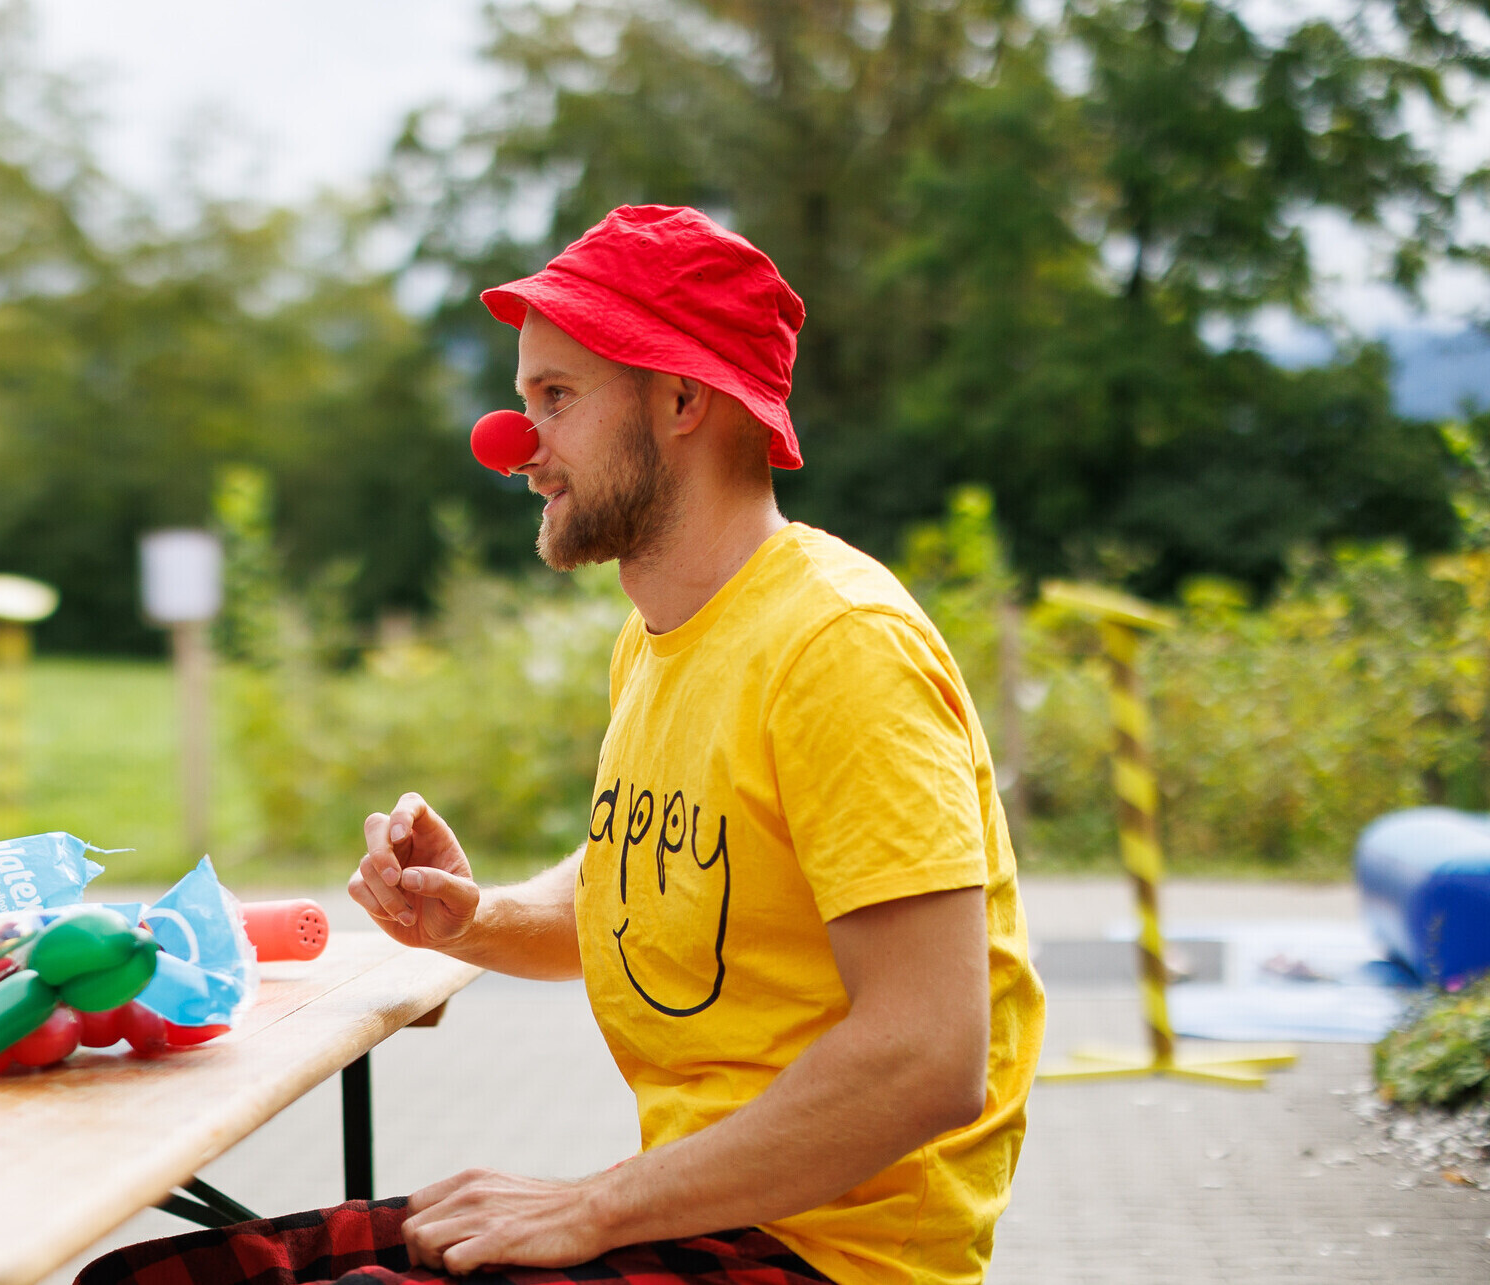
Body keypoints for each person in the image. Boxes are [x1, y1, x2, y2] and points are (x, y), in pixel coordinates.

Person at [79, 206, 1042, 1285]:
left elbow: (929, 1055)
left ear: (681, 398)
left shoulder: (839, 647)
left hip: (832, 1257)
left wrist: (593, 1205)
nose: (513, 444)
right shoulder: (661, 636)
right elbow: (660, 878)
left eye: (556, 397)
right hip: (703, 1213)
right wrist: (472, 916)